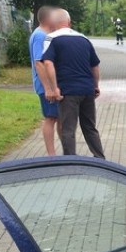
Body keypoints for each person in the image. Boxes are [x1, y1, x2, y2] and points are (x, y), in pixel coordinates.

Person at [41, 9, 106, 158]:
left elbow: (48, 63)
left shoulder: (51, 38)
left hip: (68, 92)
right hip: (87, 90)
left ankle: (70, 162)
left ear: (53, 23)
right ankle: (100, 159)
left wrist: (54, 87)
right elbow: (94, 66)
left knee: (68, 129)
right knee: (90, 127)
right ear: (69, 23)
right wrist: (95, 86)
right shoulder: (84, 39)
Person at [29, 5, 60, 155]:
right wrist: (48, 88)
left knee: (57, 118)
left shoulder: (43, 34)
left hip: (49, 85)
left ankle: (65, 152)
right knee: (51, 118)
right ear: (48, 18)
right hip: (45, 86)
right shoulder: (40, 35)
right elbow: (38, 62)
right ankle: (52, 156)